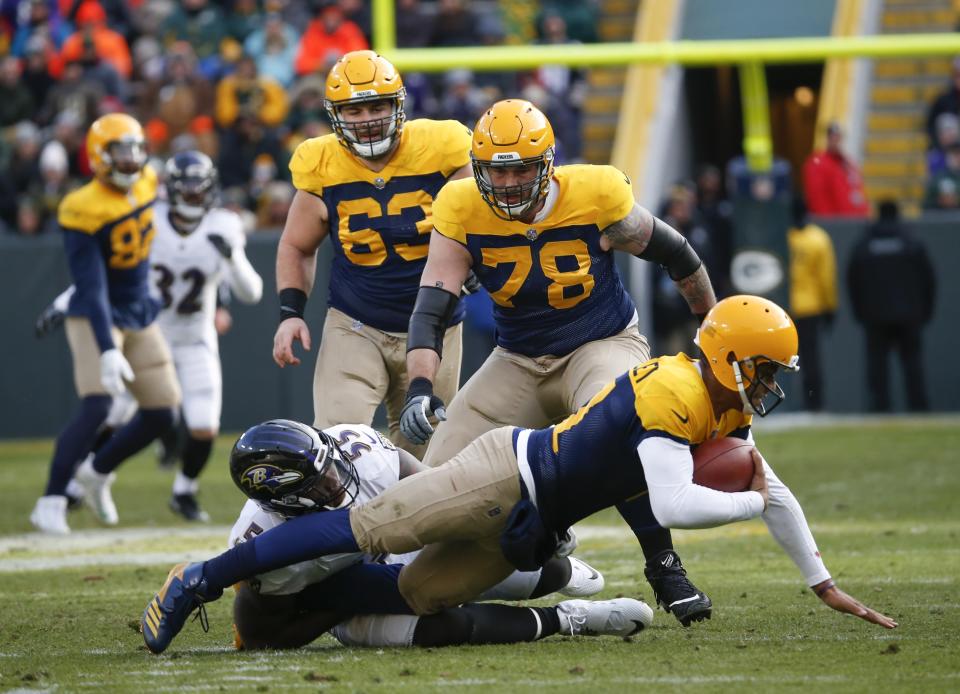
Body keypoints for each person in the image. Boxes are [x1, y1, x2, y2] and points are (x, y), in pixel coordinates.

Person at [140, 295, 897, 655]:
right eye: (765, 369)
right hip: (504, 476)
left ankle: (320, 601)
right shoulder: (674, 390)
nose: (770, 384)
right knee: (372, 528)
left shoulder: (720, 406)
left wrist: (820, 579)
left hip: (538, 515)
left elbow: (772, 487)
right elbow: (673, 500)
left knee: (421, 596)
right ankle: (200, 580)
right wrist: (743, 504)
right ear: (733, 359)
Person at [398, 98, 717, 625]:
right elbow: (432, 306)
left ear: (548, 163)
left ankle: (664, 565)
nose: (509, 181)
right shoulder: (460, 205)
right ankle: (538, 551)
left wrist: (710, 330)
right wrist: (418, 387)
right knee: (440, 479)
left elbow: (678, 254)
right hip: (517, 358)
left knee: (620, 423)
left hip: (600, 340)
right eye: (498, 169)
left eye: (522, 167)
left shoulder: (595, 195)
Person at [221, 419, 646, 650]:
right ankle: (568, 620)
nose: (336, 481)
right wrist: (344, 596)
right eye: (318, 485)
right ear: (283, 503)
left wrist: (461, 520)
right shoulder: (261, 543)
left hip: (397, 550)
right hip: (342, 604)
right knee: (442, 627)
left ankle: (559, 571)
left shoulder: (360, 452)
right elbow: (264, 635)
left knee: (519, 569)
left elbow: (432, 487)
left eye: (330, 466)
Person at [271, 50, 475, 459]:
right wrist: (291, 313)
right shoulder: (322, 163)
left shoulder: (443, 149)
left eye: (377, 105)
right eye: (355, 109)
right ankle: (338, 524)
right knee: (337, 446)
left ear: (398, 104)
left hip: (436, 326)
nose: (366, 119)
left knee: (422, 463)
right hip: (356, 323)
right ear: (335, 115)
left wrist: (473, 259)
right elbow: (296, 244)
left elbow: (479, 221)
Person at [29, 113, 180, 535]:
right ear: (99, 156)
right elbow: (92, 287)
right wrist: (108, 348)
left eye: (136, 148)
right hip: (96, 313)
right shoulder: (83, 207)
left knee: (162, 412)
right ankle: (51, 499)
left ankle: (95, 474)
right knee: (98, 405)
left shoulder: (149, 180)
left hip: (137, 309)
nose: (131, 160)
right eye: (121, 151)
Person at [847, 200, 936, 412]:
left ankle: (879, 408)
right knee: (912, 364)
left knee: (878, 366)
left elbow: (853, 280)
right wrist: (925, 311)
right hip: (910, 315)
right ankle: (918, 407)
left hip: (874, 316)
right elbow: (929, 279)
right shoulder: (911, 241)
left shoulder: (865, 244)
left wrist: (860, 312)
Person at [787, 197, 837, 412]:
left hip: (783, 307)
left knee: (777, 358)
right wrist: (830, 306)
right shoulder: (818, 238)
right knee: (811, 358)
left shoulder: (782, 235)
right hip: (810, 306)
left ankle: (780, 403)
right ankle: (815, 403)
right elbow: (827, 277)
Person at [802, 122, 869, 217]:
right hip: (834, 224)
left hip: (855, 222)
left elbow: (858, 192)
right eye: (833, 137)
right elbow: (817, 198)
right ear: (827, 138)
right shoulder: (817, 163)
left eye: (839, 137)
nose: (837, 141)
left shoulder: (849, 164)